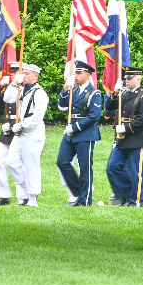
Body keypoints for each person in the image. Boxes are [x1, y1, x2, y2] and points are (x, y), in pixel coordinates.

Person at [104, 66, 143, 207]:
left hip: (136, 138)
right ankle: (125, 195)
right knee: (112, 167)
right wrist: (115, 92)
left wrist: (125, 128)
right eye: (126, 78)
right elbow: (109, 106)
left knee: (136, 173)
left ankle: (135, 202)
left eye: (130, 78)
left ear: (138, 79)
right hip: (122, 139)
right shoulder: (123, 94)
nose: (127, 81)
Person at [57, 60, 103, 207]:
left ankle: (85, 200)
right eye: (75, 73)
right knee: (62, 161)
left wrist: (75, 127)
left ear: (88, 75)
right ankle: (78, 193)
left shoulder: (94, 93)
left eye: (79, 73)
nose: (76, 76)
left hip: (85, 133)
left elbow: (94, 116)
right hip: (70, 133)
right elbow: (63, 105)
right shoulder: (74, 90)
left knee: (85, 168)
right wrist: (65, 88)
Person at [5, 63, 48, 207]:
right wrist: (14, 83)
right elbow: (7, 99)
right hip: (19, 133)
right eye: (23, 73)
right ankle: (24, 190)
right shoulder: (20, 88)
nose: (24, 75)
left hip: (32, 134)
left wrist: (23, 125)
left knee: (31, 166)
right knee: (11, 163)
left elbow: (37, 116)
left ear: (35, 76)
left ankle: (32, 198)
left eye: (27, 73)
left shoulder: (39, 92)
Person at [0, 64, 21, 206]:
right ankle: (3, 196)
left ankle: (25, 194)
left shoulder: (25, 89)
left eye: (16, 73)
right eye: (12, 73)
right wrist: (0, 87)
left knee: (18, 164)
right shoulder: (9, 90)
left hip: (19, 129)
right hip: (6, 130)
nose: (12, 75)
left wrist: (14, 123)